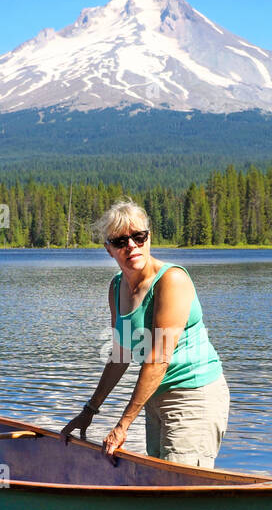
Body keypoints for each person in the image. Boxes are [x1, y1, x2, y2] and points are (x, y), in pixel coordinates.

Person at [60, 200, 230, 468]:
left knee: (180, 485)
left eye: (138, 237)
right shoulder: (117, 287)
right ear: (109, 250)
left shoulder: (171, 280)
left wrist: (122, 425)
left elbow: (158, 359)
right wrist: (90, 410)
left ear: (149, 237)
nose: (131, 246)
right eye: (120, 241)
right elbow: (120, 354)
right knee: (159, 482)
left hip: (194, 396)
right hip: (154, 398)